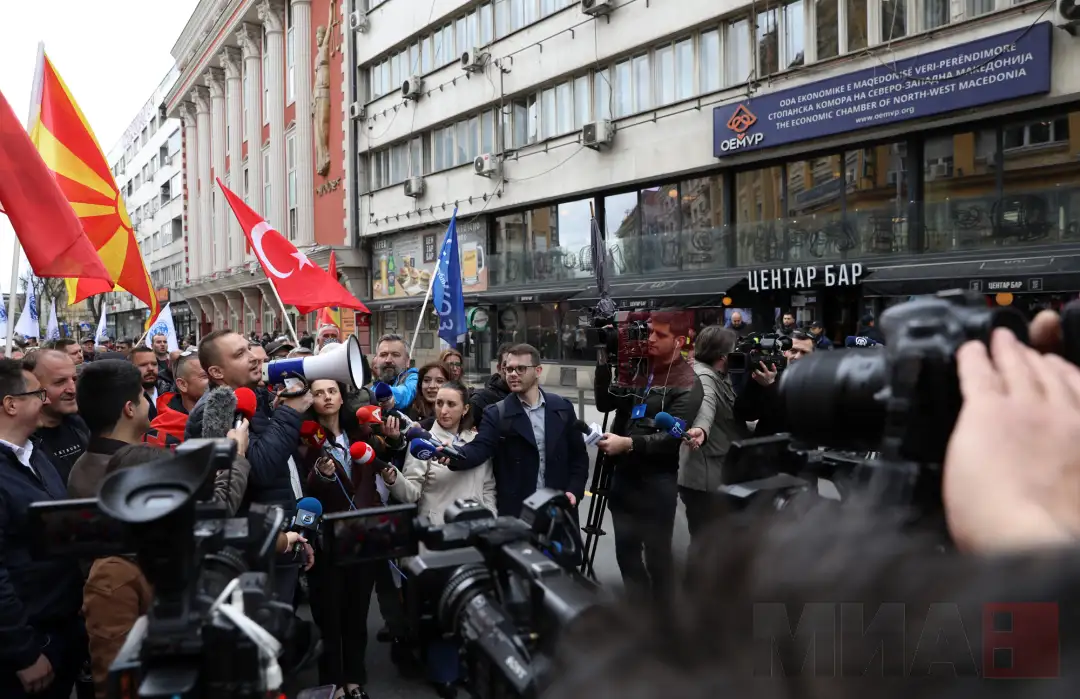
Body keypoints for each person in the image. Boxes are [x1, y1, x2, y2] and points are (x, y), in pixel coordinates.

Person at [299, 378, 409, 699]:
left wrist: (389, 468)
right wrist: (321, 476)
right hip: (327, 539)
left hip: (363, 535)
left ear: (341, 396)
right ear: (310, 400)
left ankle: (354, 680)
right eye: (318, 393)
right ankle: (333, 683)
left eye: (331, 391)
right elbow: (304, 488)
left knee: (357, 614)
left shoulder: (360, 435)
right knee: (329, 616)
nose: (326, 397)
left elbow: (384, 457)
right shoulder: (304, 440)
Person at [384, 381, 494, 697]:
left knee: (473, 605)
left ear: (465, 408)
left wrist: (489, 519)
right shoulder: (423, 441)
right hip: (436, 539)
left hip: (473, 535)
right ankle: (443, 672)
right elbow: (411, 492)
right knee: (440, 610)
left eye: (451, 404)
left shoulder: (477, 442)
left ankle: (468, 666)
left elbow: (488, 487)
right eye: (439, 403)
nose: (443, 410)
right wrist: (392, 478)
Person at [185, 330, 312, 601]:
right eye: (240, 354)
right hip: (251, 554)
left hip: (274, 539)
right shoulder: (215, 411)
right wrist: (290, 412)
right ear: (217, 372)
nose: (254, 357)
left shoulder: (252, 398)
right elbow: (260, 469)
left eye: (249, 349)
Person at [594, 311, 703, 606]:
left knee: (657, 558)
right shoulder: (641, 370)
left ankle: (666, 617)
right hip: (623, 478)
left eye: (660, 334)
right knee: (626, 553)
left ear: (679, 341)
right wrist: (604, 358)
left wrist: (629, 444)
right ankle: (638, 613)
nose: (650, 338)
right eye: (650, 331)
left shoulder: (688, 382)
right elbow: (605, 402)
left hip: (656, 482)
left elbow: (672, 437)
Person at [0, 359, 87, 699]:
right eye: (38, 394)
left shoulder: (34, 453)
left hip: (62, 626)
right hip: (27, 646)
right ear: (11, 404)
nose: (47, 399)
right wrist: (23, 652)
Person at [447, 344, 588, 518]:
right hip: (519, 514)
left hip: (558, 511)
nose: (513, 374)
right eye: (509, 369)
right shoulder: (496, 413)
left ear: (538, 371)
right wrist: (453, 454)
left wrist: (574, 491)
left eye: (521, 369)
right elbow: (479, 449)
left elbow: (579, 457)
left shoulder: (561, 408)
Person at [678, 326, 749, 542]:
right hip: (704, 481)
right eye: (735, 350)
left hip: (712, 474)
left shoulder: (717, 374)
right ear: (723, 356)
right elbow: (706, 403)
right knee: (706, 544)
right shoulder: (704, 376)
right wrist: (702, 429)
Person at [66, 360, 152, 499]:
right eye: (143, 396)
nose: (148, 403)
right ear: (130, 409)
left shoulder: (81, 465)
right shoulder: (138, 470)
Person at [733, 330, 815, 437]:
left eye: (804, 353)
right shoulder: (771, 374)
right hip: (766, 443)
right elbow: (746, 414)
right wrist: (755, 382)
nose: (797, 357)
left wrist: (771, 386)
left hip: (797, 443)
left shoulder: (818, 382)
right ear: (785, 352)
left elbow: (796, 419)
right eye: (793, 351)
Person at [25, 350, 89, 484]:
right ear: (33, 387)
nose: (72, 389)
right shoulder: (22, 443)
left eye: (74, 379)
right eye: (60, 382)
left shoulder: (81, 423)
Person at [143, 350, 209, 447]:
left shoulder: (229, 416)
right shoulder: (159, 433)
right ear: (182, 385)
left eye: (215, 372)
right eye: (205, 376)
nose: (215, 379)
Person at [372, 334, 419, 412]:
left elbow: (406, 392)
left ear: (407, 361)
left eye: (395, 355)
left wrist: (390, 396)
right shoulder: (373, 386)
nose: (388, 360)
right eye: (383, 355)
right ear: (376, 360)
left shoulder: (414, 378)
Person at [468, 342, 512, 417]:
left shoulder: (529, 397)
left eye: (519, 367)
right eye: (506, 365)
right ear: (499, 368)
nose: (513, 372)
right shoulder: (480, 400)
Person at [129, 347, 160, 422]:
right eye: (143, 365)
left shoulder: (172, 393)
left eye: (154, 364)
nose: (150, 368)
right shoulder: (127, 400)